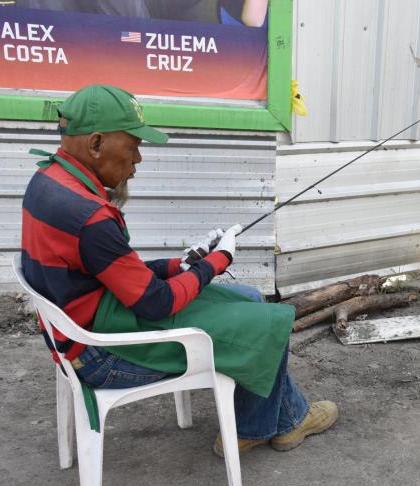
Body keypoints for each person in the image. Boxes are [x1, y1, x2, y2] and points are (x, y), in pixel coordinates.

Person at [20, 84, 337, 459]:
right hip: (101, 354)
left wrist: (183, 264)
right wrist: (218, 262)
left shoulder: (49, 181)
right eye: (133, 145)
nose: (137, 159)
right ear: (96, 144)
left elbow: (110, 268)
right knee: (269, 321)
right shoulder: (89, 216)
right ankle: (258, 428)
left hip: (86, 324)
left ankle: (282, 419)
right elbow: (158, 303)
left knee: (252, 299)